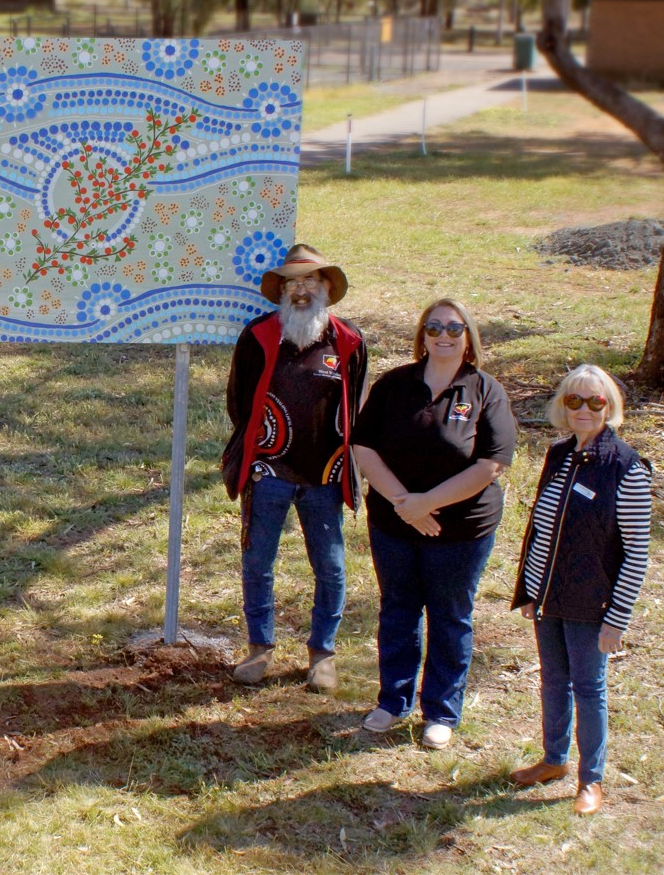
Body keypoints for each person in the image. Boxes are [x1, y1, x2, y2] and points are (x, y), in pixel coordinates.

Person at [352, 298, 516, 750]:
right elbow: (363, 447)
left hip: (461, 531)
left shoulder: (485, 390)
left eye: (454, 327)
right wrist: (406, 504)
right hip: (393, 523)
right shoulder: (395, 385)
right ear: (422, 335)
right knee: (398, 609)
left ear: (469, 336)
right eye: (434, 326)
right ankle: (393, 701)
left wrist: (426, 504)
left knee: (449, 616)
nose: (444, 335)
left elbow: (491, 464)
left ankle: (441, 711)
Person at [221, 244, 368, 693]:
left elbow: (355, 406)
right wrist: (262, 447)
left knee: (331, 565)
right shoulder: (258, 336)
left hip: (325, 475)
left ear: (325, 287)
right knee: (257, 562)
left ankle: (322, 653)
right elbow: (238, 402)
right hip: (269, 473)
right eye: (292, 283)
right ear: (281, 291)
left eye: (309, 281)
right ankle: (259, 648)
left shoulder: (348, 341)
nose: (301, 290)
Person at [509, 365, 651, 815]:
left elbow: (636, 554)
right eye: (575, 401)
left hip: (593, 604)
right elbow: (542, 530)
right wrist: (531, 591)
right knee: (553, 680)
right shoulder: (557, 454)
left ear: (610, 407)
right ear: (563, 406)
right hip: (549, 596)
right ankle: (554, 760)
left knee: (589, 688)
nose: (584, 410)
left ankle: (592, 780)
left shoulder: (627, 467)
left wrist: (617, 619)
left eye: (595, 402)